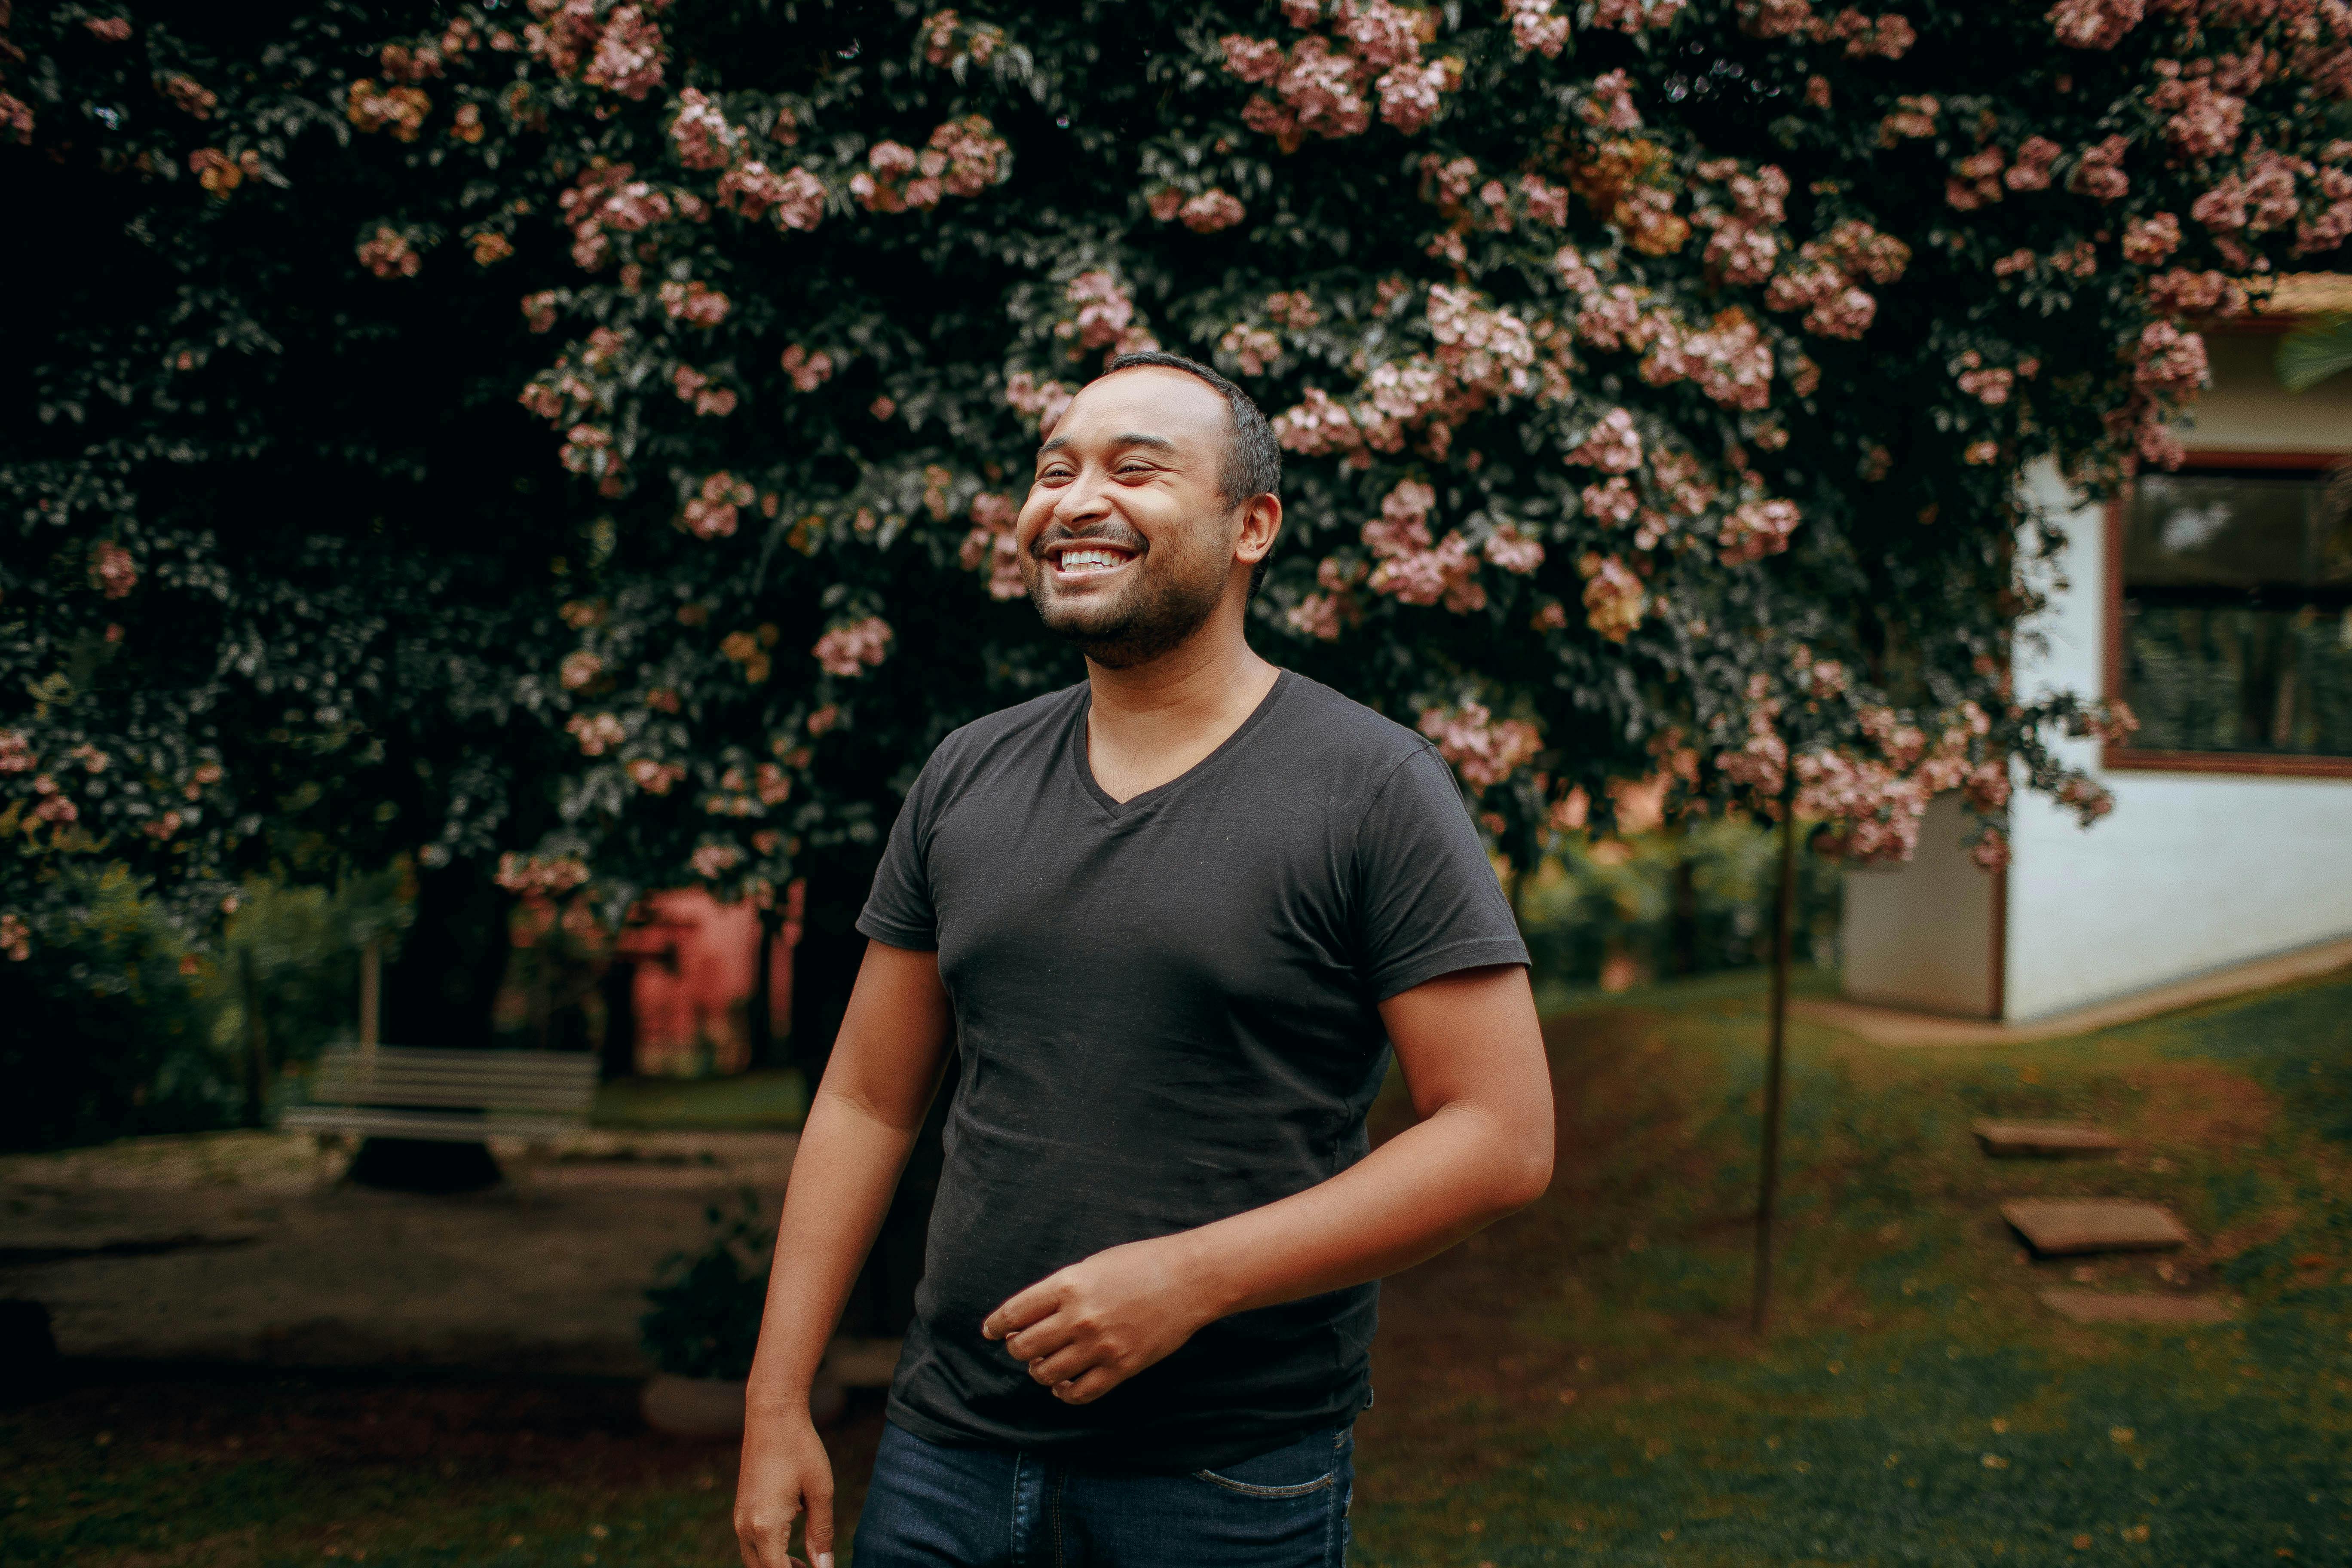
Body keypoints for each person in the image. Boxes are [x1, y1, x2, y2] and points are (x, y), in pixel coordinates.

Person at [734, 351, 1555, 1568]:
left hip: (1223, 1480)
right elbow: (864, 1098)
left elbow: (1501, 1136)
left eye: (1136, 469)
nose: (1074, 500)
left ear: (1251, 526)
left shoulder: (1372, 787)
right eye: (1053, 469)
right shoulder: (966, 774)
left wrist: (1195, 1279)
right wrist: (773, 1403)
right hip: (942, 1455)